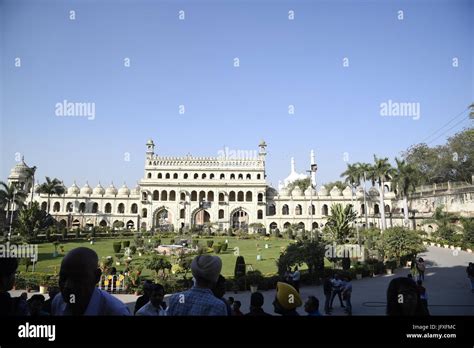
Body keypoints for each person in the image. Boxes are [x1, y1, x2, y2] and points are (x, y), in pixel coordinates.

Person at [51, 247, 131, 315]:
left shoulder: (116, 312)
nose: (67, 286)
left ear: (96, 277)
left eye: (77, 279)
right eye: (63, 277)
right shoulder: (58, 302)